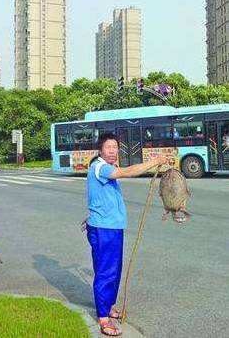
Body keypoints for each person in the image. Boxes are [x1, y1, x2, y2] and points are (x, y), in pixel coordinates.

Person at [86, 133, 168, 336]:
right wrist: (154, 162)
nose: (113, 151)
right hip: (105, 229)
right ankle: (103, 318)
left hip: (109, 226)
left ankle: (108, 306)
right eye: (109, 147)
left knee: (114, 270)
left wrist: (90, 217)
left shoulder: (104, 167)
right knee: (106, 272)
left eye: (115, 147)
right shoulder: (99, 167)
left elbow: (98, 196)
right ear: (100, 150)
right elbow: (128, 172)